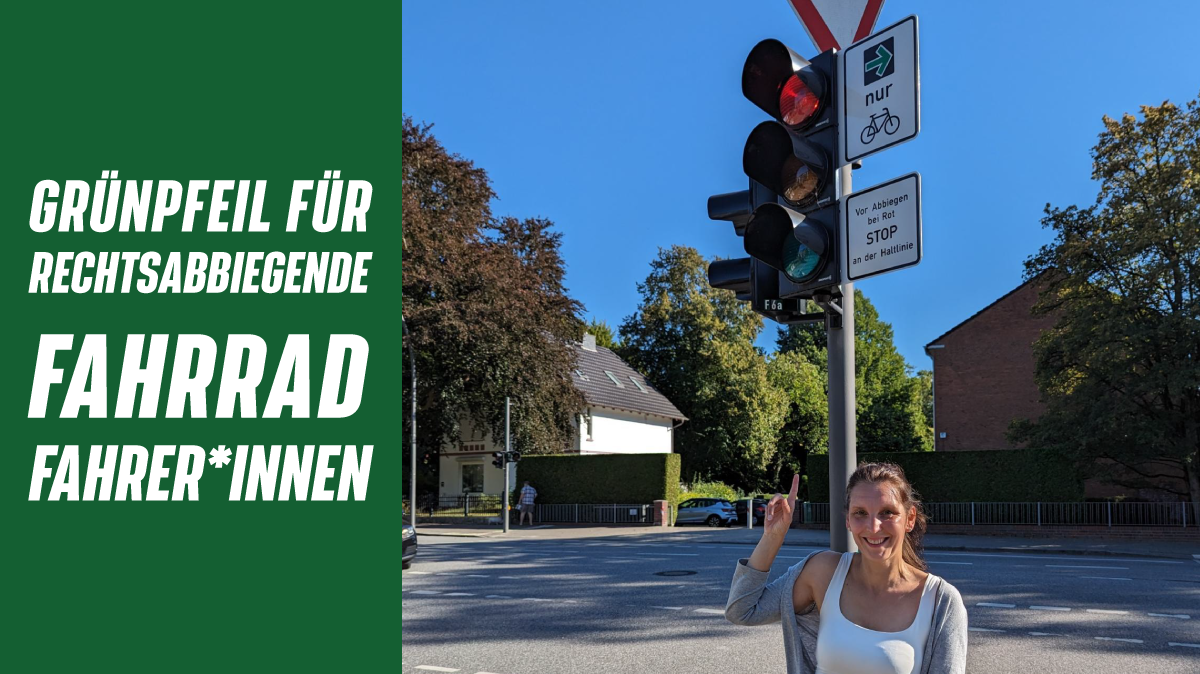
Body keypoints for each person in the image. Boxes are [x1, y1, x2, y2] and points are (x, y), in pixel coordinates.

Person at [725, 462, 968, 674]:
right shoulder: (823, 572)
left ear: (910, 518)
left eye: (887, 513)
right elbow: (743, 610)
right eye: (860, 513)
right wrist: (773, 536)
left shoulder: (941, 601)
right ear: (847, 520)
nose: (873, 527)